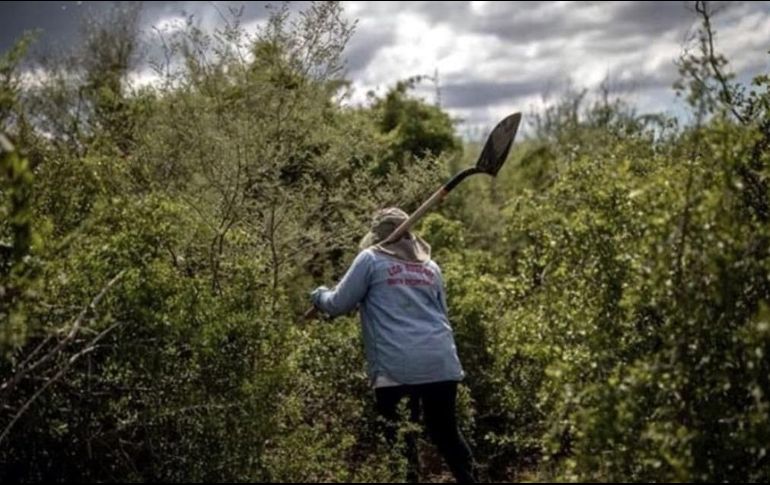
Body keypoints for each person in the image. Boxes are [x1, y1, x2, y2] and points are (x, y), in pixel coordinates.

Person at [310, 207, 477, 483]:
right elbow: (442, 313)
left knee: (402, 442)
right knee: (446, 434)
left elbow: (338, 304)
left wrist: (319, 295)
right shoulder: (430, 267)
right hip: (440, 361)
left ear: (377, 236)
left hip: (396, 367)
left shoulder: (370, 260)